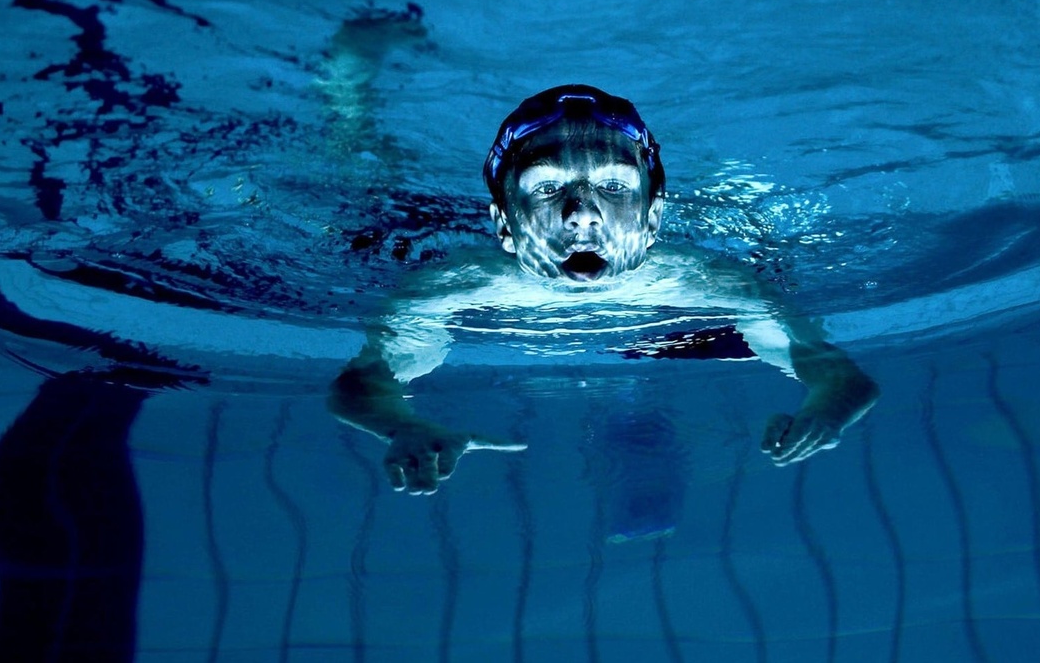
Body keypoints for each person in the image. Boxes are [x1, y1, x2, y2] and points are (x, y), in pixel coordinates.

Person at [329, 84, 880, 495]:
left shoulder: (709, 280)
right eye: (547, 187)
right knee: (362, 178)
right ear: (505, 225)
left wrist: (826, 409)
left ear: (653, 217)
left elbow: (832, 370)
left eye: (614, 185)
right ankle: (349, 83)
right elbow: (362, 382)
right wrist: (400, 425)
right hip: (410, 229)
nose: (582, 213)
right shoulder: (450, 285)